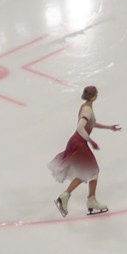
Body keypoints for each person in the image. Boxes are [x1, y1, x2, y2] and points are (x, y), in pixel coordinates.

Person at [50, 85, 120, 216]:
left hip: (77, 142)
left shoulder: (86, 107)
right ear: (94, 97)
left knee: (87, 172)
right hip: (79, 143)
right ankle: (87, 200)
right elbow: (80, 128)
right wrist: (91, 141)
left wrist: (109, 127)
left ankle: (68, 197)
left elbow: (91, 123)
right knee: (93, 171)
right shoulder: (87, 110)